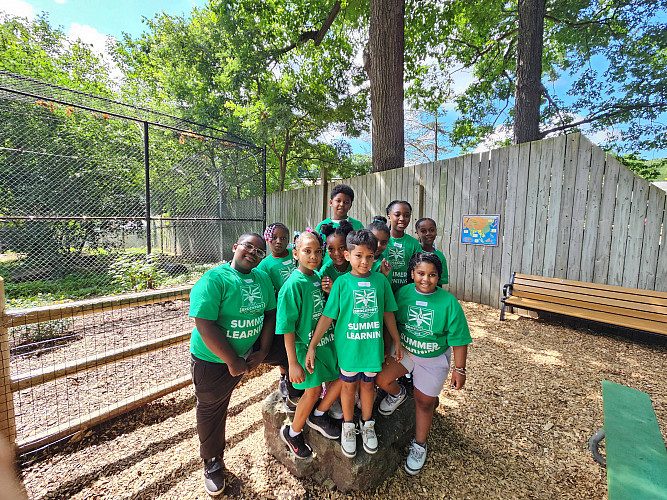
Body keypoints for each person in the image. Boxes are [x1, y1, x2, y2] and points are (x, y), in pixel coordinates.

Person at [189, 233, 293, 496]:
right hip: (214, 358)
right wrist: (231, 360)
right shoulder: (215, 279)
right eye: (248, 246)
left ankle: (292, 388)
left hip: (252, 347)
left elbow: (270, 315)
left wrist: (264, 351)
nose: (253, 253)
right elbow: (204, 324)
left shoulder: (262, 279)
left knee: (291, 352)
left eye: (259, 251)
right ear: (235, 247)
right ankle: (212, 461)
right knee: (212, 408)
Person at [306, 229, 403, 459]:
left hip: (372, 348)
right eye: (358, 255)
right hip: (349, 349)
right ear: (348, 255)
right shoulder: (341, 284)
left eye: (369, 256)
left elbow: (388, 312)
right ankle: (348, 426)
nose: (364, 261)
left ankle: (367, 423)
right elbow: (328, 316)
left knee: (369, 386)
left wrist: (396, 341)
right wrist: (312, 345)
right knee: (348, 387)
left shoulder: (380, 281)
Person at [376, 252, 471, 476]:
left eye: (432, 275)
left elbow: (459, 339)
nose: (425, 279)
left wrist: (459, 369)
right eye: (420, 273)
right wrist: (391, 347)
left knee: (424, 402)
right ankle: (398, 394)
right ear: (412, 274)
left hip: (432, 358)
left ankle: (419, 444)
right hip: (406, 352)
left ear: (439, 277)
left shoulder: (449, 303)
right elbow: (391, 320)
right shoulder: (404, 293)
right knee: (381, 378)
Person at [276, 230, 342, 459]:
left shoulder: (316, 277)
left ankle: (319, 414)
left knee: (342, 378)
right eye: (307, 251)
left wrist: (328, 292)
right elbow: (287, 327)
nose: (313, 256)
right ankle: (292, 432)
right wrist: (292, 363)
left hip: (326, 343)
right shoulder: (292, 285)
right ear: (295, 253)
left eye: (317, 252)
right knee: (312, 391)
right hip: (306, 350)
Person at [256, 222, 302, 411]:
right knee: (284, 345)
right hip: (281, 310)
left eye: (283, 238)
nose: (278, 242)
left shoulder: (295, 254)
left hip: (301, 306)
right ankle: (284, 377)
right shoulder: (265, 264)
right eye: (274, 238)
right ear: (268, 239)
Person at [383, 200, 422, 292]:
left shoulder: (414, 244)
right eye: (397, 215)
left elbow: (418, 268)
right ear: (389, 217)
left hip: (406, 292)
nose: (402, 218)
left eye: (406, 215)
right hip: (383, 290)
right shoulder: (380, 241)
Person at [318, 220, 354, 292]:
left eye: (341, 248)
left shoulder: (355, 265)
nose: (336, 253)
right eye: (331, 249)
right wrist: (330, 291)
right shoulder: (325, 272)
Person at [414, 217, 449, 285]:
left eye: (431, 230)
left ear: (436, 231)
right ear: (417, 233)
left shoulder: (439, 256)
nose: (428, 233)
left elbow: (440, 282)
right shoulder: (414, 251)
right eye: (423, 231)